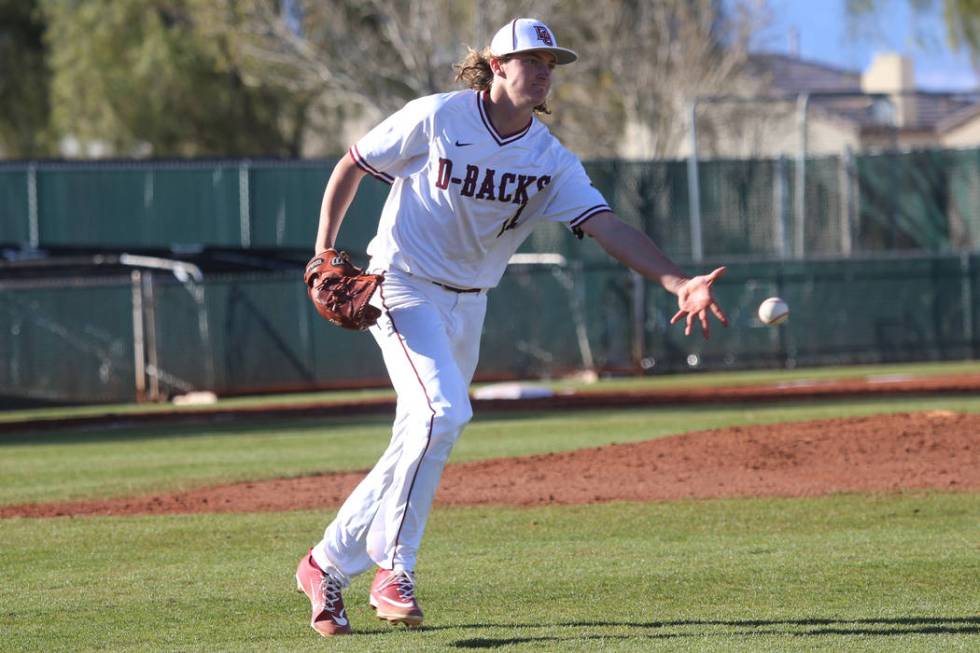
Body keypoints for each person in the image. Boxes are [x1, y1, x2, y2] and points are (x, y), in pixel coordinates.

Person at [295, 17, 728, 637]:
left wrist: (677, 282)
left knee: (421, 435)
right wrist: (322, 252)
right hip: (402, 285)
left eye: (553, 63)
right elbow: (353, 164)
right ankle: (394, 569)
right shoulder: (439, 117)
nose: (546, 71)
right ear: (497, 65)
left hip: (470, 304)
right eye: (534, 59)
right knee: (445, 414)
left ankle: (325, 564)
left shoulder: (550, 159)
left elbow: (609, 227)